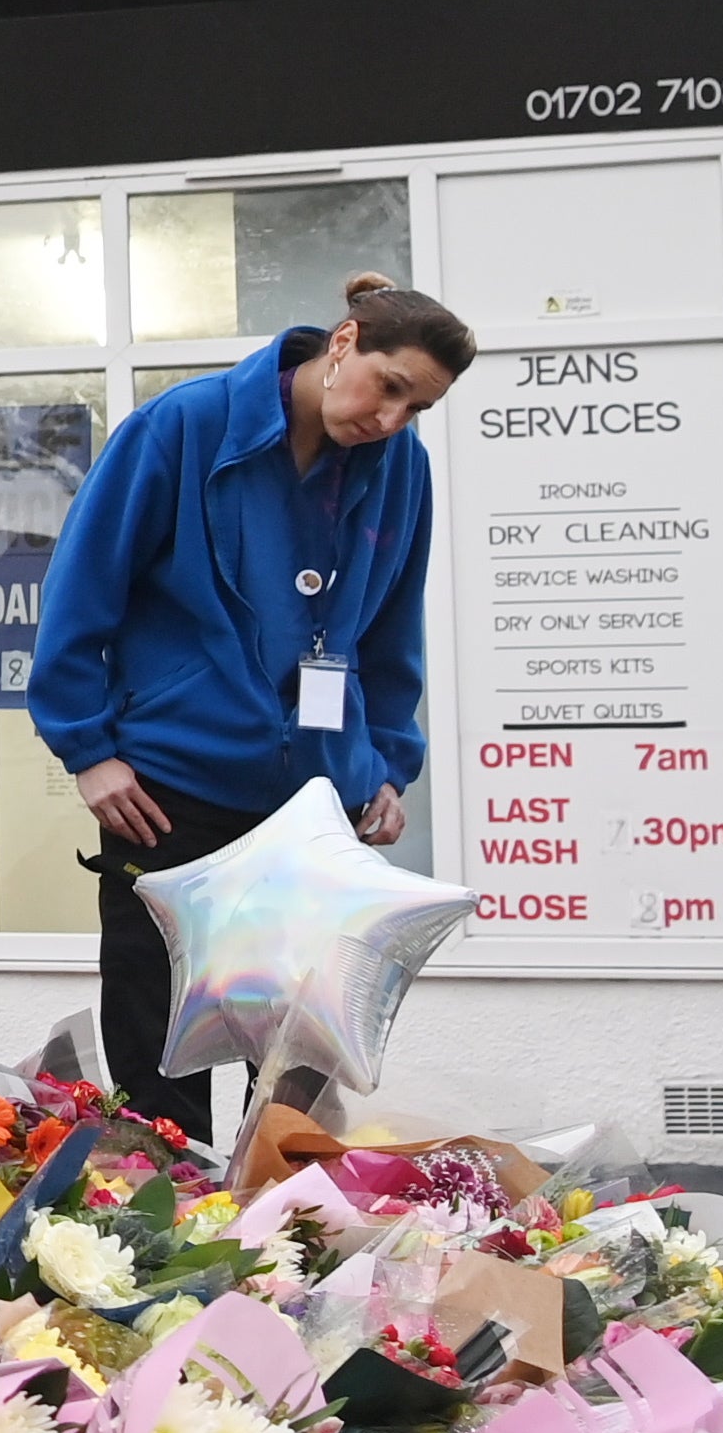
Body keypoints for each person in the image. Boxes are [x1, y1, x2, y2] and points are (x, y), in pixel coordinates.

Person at [31, 269, 476, 1142]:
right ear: (342, 342)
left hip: (314, 804)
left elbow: (392, 623)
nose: (389, 421)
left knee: (299, 1059)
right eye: (388, 388)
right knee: (160, 1049)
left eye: (415, 408)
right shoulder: (184, 426)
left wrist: (385, 760)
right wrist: (87, 750)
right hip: (167, 794)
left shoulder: (399, 469)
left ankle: (280, 1255)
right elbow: (82, 592)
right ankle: (160, 1249)